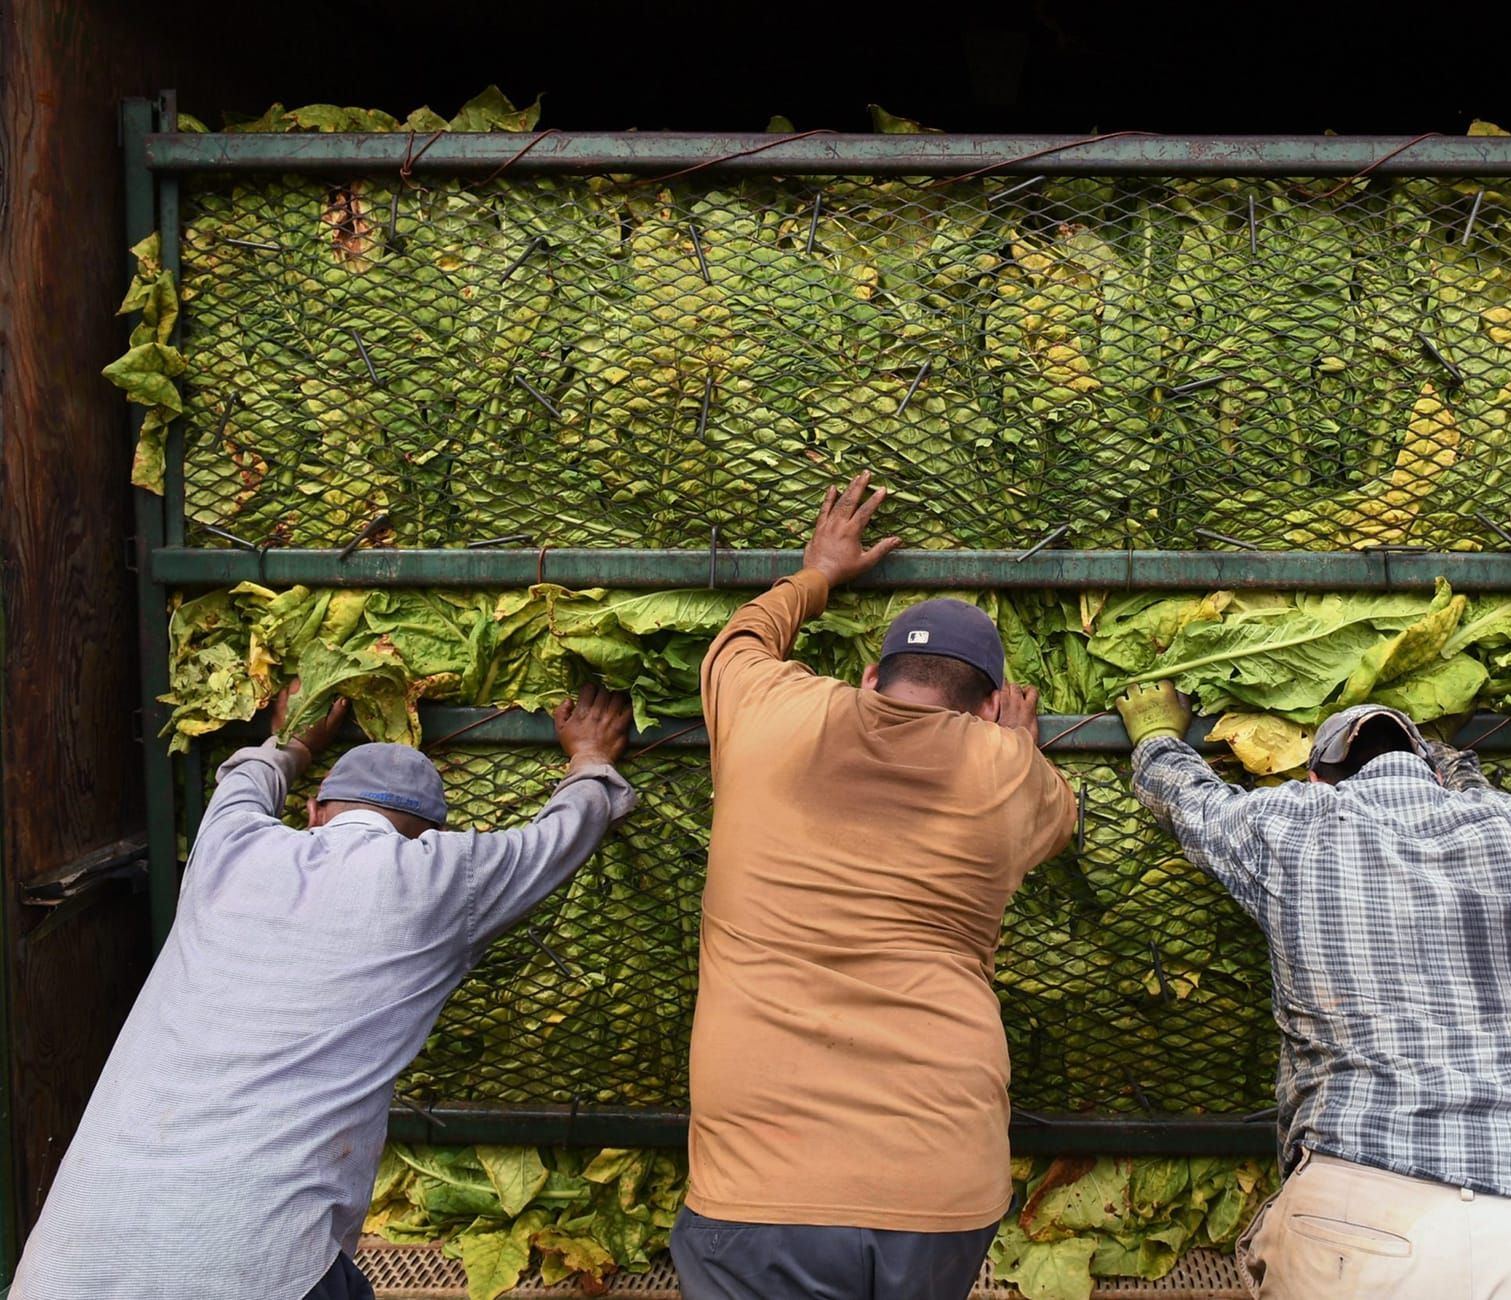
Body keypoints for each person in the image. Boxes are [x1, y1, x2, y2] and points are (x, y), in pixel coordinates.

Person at [10, 681, 636, 1300]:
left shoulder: (232, 846)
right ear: (429, 832)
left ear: (313, 813)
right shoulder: (443, 875)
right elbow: (562, 837)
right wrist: (589, 760)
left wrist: (292, 741)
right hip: (257, 1263)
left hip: (66, 1257)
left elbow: (245, 779)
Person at [671, 472, 1077, 1300]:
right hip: (940, 1177)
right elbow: (1058, 821)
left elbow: (736, 646)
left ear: (865, 677)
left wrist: (816, 572)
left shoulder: (771, 711)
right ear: (992, 704)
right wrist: (1018, 748)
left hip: (759, 1182)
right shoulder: (1008, 775)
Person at [1114, 684, 1511, 1299]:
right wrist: (1448, 758)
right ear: (1430, 771)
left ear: (1316, 778)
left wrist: (1155, 737)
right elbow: (1471, 786)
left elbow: (1191, 803)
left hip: (1359, 1215)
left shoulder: (1292, 824)